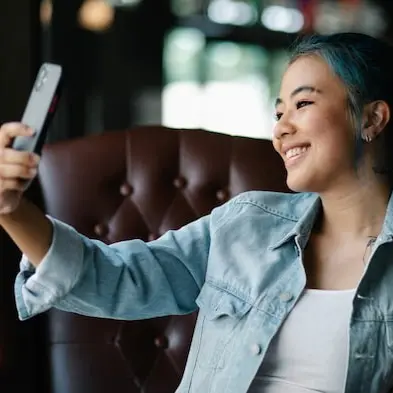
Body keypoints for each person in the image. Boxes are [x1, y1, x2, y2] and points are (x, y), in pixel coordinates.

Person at [1, 31, 393, 393]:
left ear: (372, 118)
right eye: (278, 113)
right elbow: (115, 279)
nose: (281, 129)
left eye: (303, 104)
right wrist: (11, 210)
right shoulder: (245, 225)